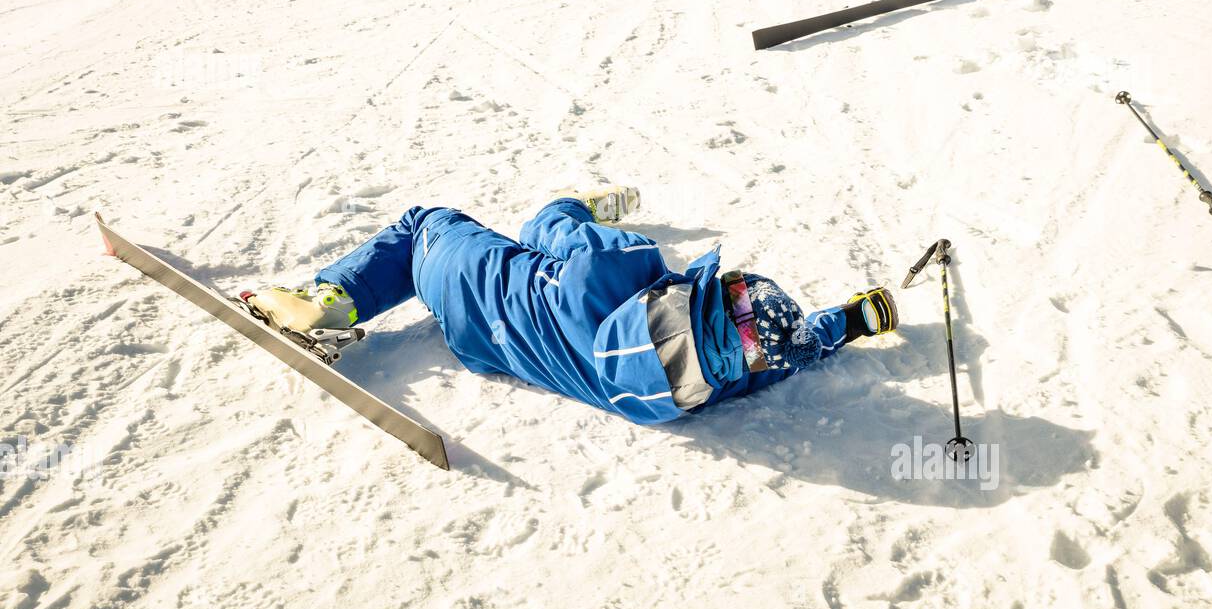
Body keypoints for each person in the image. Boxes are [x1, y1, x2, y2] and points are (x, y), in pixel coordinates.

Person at [242, 187, 899, 424]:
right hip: (479, 344)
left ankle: (326, 300)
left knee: (426, 222)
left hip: (465, 280)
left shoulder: (625, 269)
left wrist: (585, 208)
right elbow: (790, 350)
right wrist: (852, 320)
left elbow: (542, 228)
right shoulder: (701, 391)